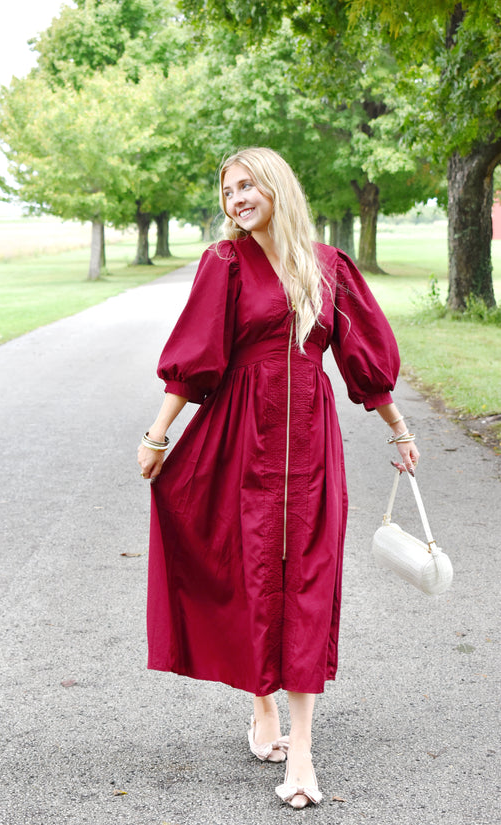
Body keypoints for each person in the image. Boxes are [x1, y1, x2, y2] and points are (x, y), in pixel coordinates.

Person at [137, 147, 419, 809]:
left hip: (311, 447)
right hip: (240, 437)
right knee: (248, 570)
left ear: (275, 185)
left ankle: (301, 752)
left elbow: (360, 362)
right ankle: (261, 702)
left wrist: (400, 431)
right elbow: (195, 360)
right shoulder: (225, 264)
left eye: (247, 184)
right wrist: (158, 433)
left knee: (307, 584)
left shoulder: (327, 267)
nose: (236, 198)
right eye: (228, 190)